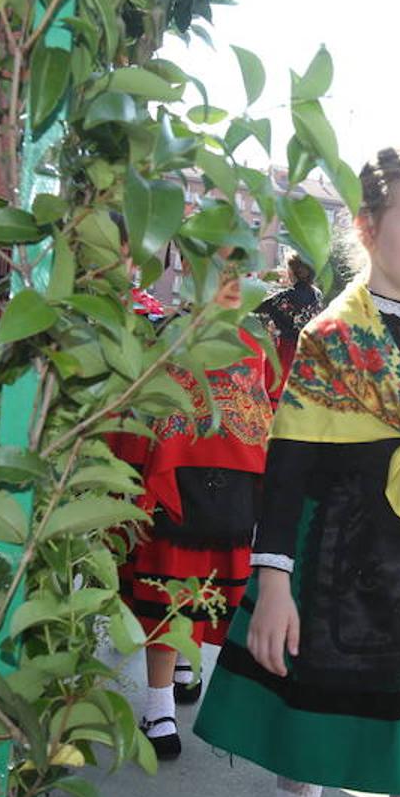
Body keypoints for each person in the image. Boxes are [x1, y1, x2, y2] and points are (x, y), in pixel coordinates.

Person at [193, 147, 400, 797]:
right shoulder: (330, 339)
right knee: (311, 733)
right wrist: (272, 584)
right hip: (332, 562)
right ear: (366, 227)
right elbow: (290, 463)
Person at [121, 265, 273, 759]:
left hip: (226, 487)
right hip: (181, 484)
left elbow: (263, 406)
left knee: (203, 591)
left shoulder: (252, 340)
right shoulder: (172, 335)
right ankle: (158, 704)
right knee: (171, 593)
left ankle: (183, 671)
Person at [257, 251, 324, 404]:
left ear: (292, 271)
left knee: (273, 400)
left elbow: (253, 307)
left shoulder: (283, 298)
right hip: (310, 356)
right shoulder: (317, 294)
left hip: (285, 356)